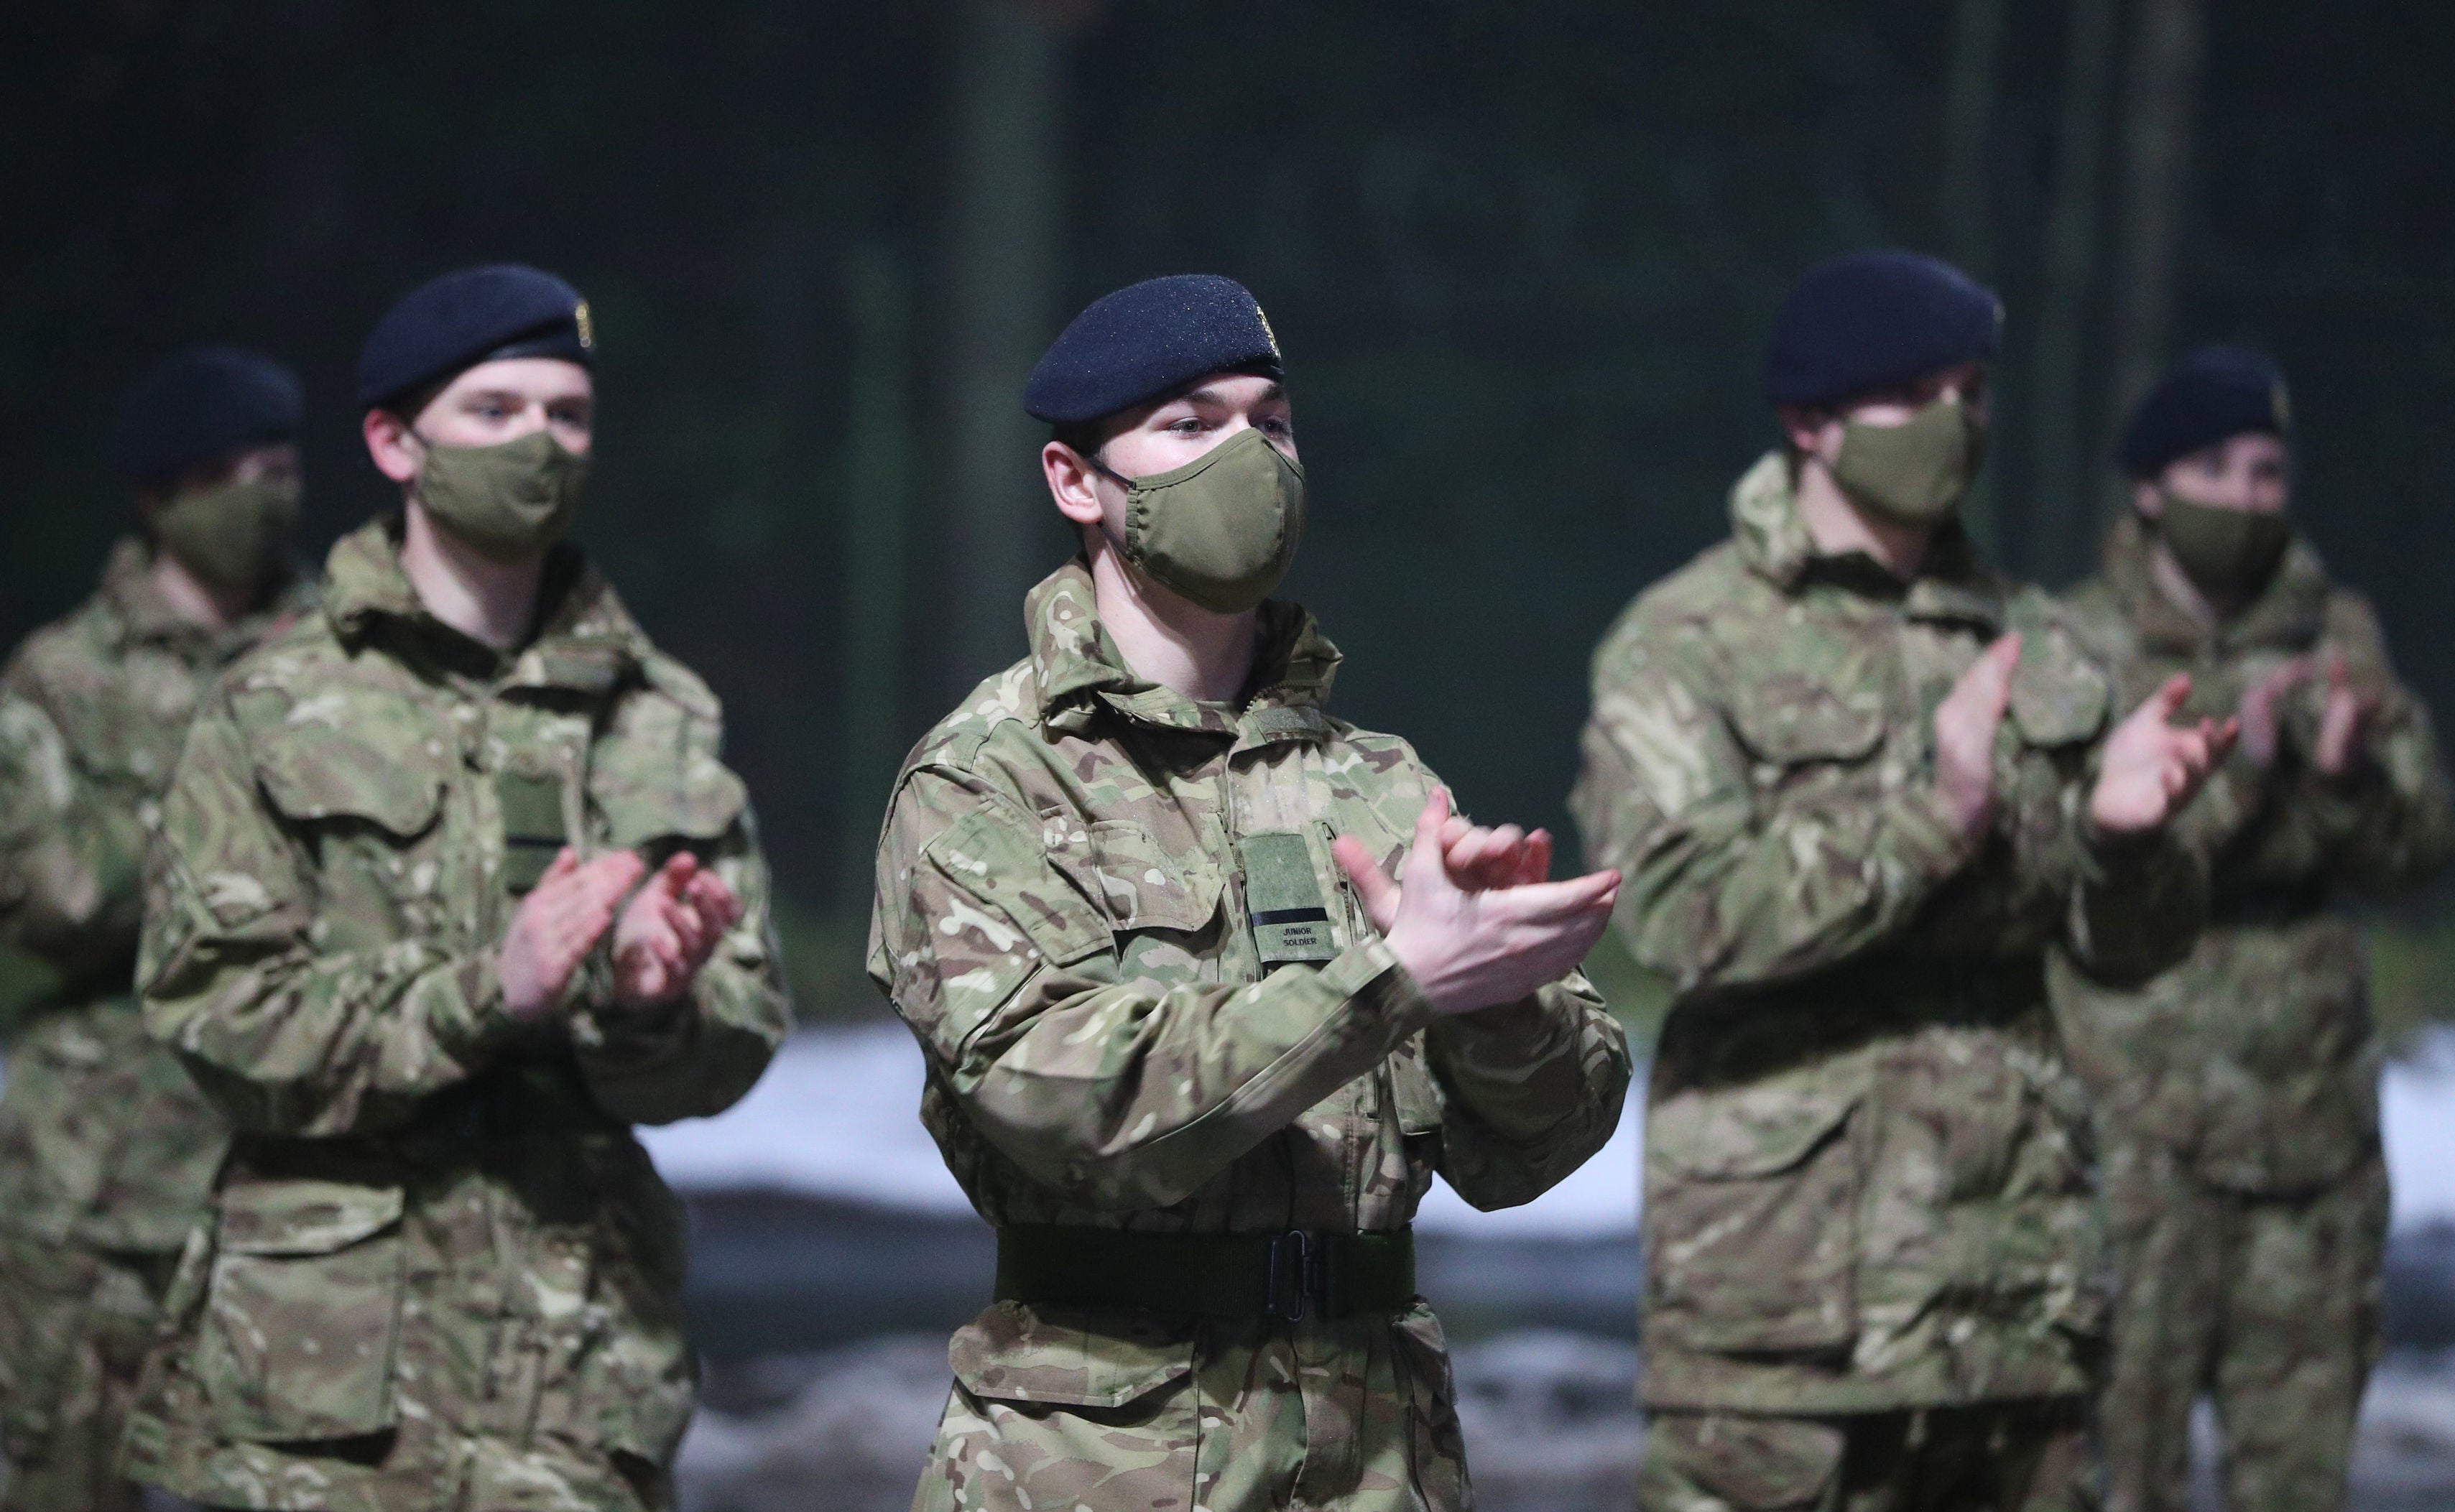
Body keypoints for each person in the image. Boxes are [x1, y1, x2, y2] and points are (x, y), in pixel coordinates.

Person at [870, 273, 1632, 1512]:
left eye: (1269, 424)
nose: (1247, 457)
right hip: (1099, 1460)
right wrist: (1391, 982)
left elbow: (1536, 1148)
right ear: (1078, 482)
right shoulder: (988, 779)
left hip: (1378, 1458)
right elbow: (1059, 1099)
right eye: (1189, 424)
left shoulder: (1380, 784)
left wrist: (1498, 1003)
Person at [1571, 250, 2234, 1512]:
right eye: (1914, 392)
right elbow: (1680, 913)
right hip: (1788, 1327)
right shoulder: (1689, 640)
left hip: (2017, 1306)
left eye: (1973, 390)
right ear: (1809, 420)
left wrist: (2127, 837)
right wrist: (1937, 818)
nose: (1955, 422)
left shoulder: (2041, 637)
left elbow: (2127, 949)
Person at [119, 264, 789, 1511]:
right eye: (494, 409)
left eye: (567, 413)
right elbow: (216, 1019)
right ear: (393, 439)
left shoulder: (660, 716)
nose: (539, 440)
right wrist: (487, 992)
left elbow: (735, 1045)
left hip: (575, 1384)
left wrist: (651, 1007)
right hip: (323, 1401)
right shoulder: (276, 704)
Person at [2053, 346, 2455, 1512]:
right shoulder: (2079, 645)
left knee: (2300, 1475)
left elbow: (2421, 849)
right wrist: (2246, 773)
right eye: (2218, 467)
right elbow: (2076, 868)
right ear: (2149, 486)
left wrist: (2340, 779)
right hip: (2134, 1143)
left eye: (2270, 470)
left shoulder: (2337, 633)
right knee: (2115, 1474)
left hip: (2307, 1145)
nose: (2247, 496)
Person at [0, 347, 315, 1512]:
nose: (258, 493)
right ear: (156, 495)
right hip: (98, 1188)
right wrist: (233, 802)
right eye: (222, 472)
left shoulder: (347, 654)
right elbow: (55, 898)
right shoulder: (65, 678)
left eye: (276, 464)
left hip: (303, 1175)